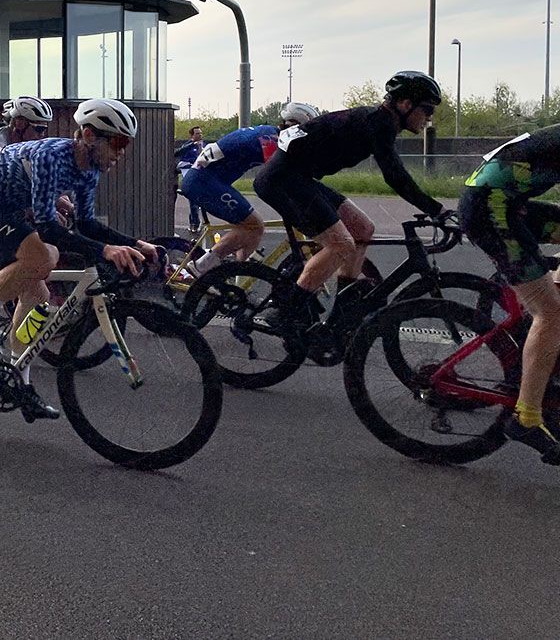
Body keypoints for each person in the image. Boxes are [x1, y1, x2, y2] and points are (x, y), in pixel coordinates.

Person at [0, 98, 160, 422]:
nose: (121, 152)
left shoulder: (89, 170)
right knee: (43, 257)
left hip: (5, 210)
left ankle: (21, 382)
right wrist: (104, 250)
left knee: (38, 295)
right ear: (88, 135)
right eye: (117, 143)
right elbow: (46, 225)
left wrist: (134, 243)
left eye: (125, 145)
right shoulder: (53, 156)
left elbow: (86, 224)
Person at [253, 71, 445, 331]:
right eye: (427, 109)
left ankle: (342, 314)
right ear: (405, 104)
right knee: (341, 244)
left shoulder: (380, 121)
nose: (429, 117)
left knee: (363, 229)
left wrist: (436, 209)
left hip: (298, 177)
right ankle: (285, 311)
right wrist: (437, 210)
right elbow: (395, 176)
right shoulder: (379, 123)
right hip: (281, 180)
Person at [459, 127, 560, 462]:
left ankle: (544, 347)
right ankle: (526, 419)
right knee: (551, 314)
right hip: (492, 210)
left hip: (504, 204)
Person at [181, 103, 320, 276]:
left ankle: (235, 282)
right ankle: (201, 267)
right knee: (254, 226)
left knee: (253, 232)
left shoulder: (269, 133)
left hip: (206, 180)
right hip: (203, 181)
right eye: (303, 133)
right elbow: (280, 177)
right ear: (293, 126)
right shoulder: (271, 140)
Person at [174, 125, 205, 233]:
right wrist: (192, 144)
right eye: (197, 133)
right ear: (192, 135)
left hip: (199, 172)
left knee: (197, 200)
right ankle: (194, 223)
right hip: (188, 170)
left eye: (200, 133)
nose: (200, 135)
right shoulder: (188, 145)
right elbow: (178, 152)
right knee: (193, 199)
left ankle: (195, 222)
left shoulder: (203, 145)